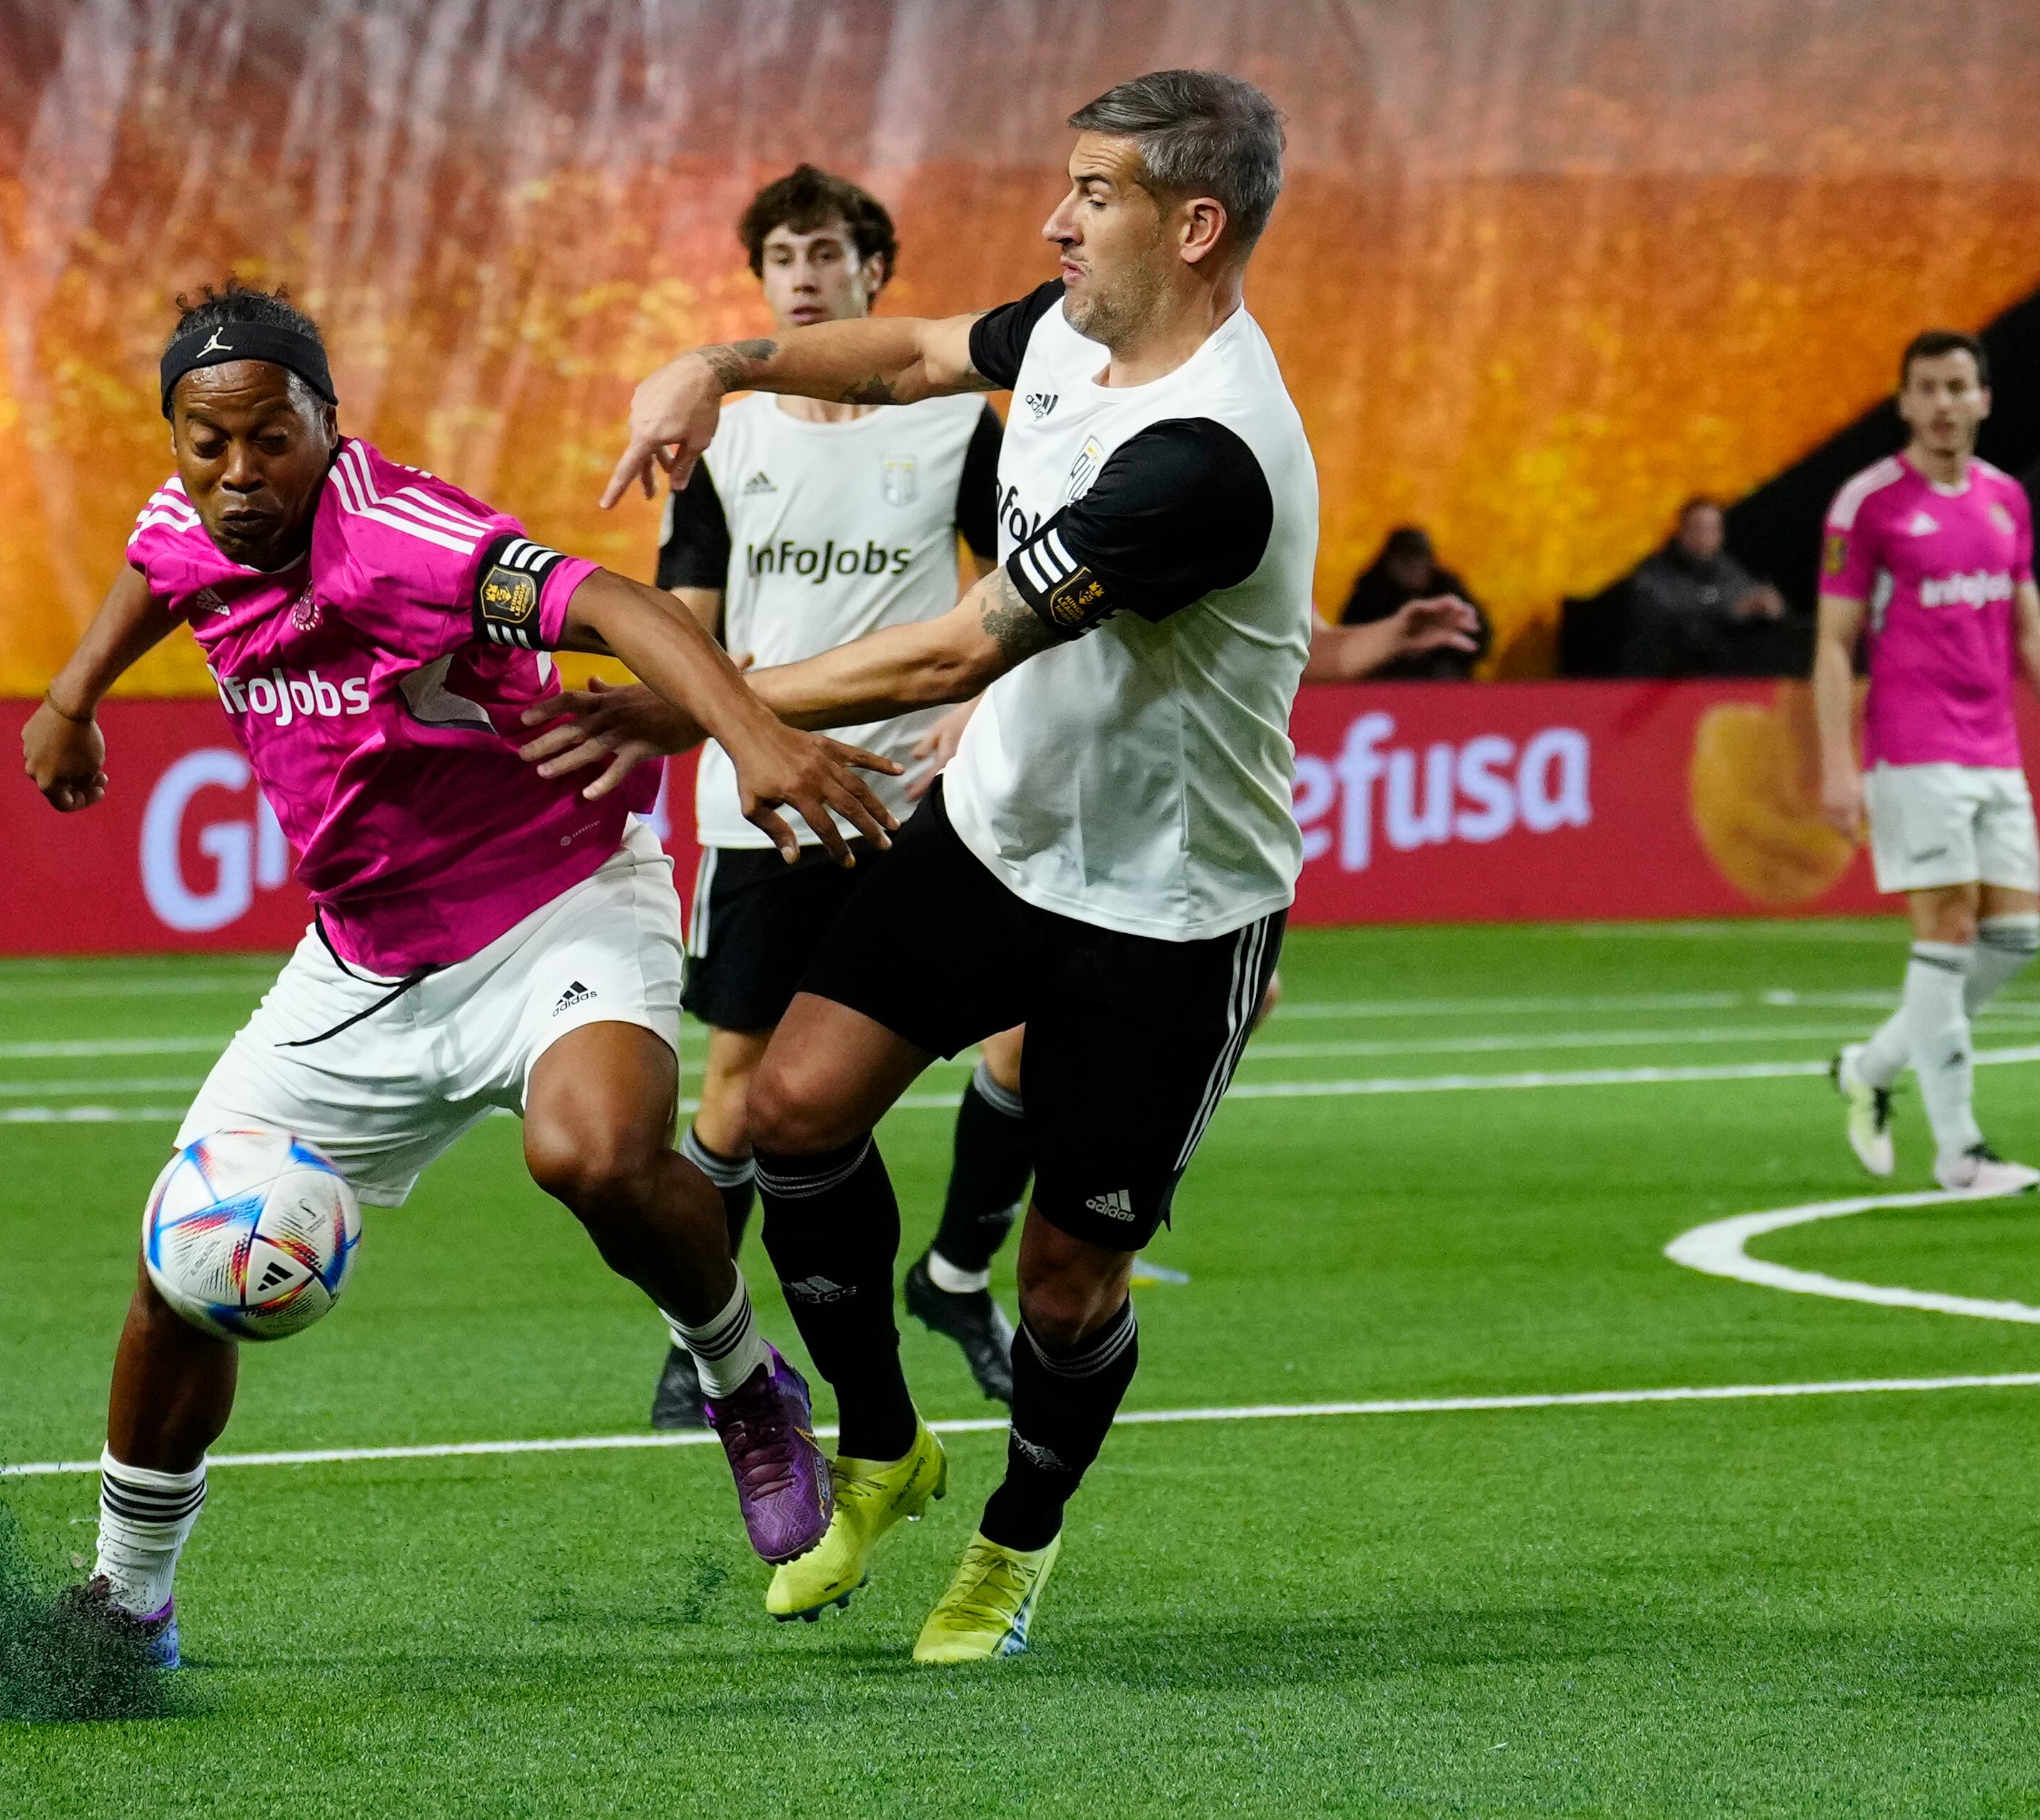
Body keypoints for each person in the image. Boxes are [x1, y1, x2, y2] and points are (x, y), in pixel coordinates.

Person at [0, 283, 898, 1679]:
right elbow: (158, 563)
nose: (235, 472)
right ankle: (128, 1602)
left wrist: (750, 737)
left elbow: (615, 597)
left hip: (557, 905)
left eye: (268, 438)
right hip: (363, 960)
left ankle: (741, 1379)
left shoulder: (402, 539)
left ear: (329, 425)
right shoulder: (190, 518)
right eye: (204, 442)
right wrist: (72, 691)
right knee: (180, 1264)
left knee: (590, 1153)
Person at [542, 69, 1323, 1663]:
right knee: (786, 1109)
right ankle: (887, 1445)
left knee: (1063, 1282)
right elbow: (905, 352)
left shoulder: (1207, 453)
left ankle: (1013, 1548)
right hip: (997, 837)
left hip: (1168, 911)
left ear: (1192, 224)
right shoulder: (1065, 335)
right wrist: (720, 360)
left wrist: (685, 705)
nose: (1054, 219)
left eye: (1091, 193)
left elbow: (953, 649)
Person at [904, 595, 1477, 1392]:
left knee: (1172, 1013)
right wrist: (974, 700)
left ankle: (980, 1268)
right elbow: (1004, 598)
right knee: (1018, 1033)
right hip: (1063, 786)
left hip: (1167, 808)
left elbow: (1306, 641)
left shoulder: (1245, 490)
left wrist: (1385, 634)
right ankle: (973, 1271)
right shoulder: (1086, 482)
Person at [647, 163, 1005, 1430]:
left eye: (825, 254)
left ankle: (956, 1271)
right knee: (738, 1092)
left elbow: (1026, 582)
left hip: (920, 797)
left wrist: (980, 699)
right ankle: (704, 1336)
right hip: (766, 803)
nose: (802, 275)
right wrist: (721, 703)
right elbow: (682, 620)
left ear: (872, 275)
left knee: (1022, 1030)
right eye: (781, 257)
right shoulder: (717, 434)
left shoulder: (957, 419)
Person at [1818, 329, 2040, 1195]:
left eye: (1958, 386)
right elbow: (1834, 644)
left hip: (1995, 748)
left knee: (2012, 939)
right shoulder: (1867, 505)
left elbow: (2028, 629)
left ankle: (1870, 1066)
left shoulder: (2005, 501)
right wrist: (1837, 761)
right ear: (1904, 403)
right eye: (1927, 389)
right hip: (1912, 751)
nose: (1944, 404)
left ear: (1984, 397)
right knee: (1945, 932)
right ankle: (1960, 1152)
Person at [1621, 496, 1787, 677]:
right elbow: (1675, 619)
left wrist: (1770, 607)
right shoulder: (1654, 574)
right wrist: (1729, 611)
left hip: (1719, 680)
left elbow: (1747, 598)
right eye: (1699, 528)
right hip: (1661, 680)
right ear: (1682, 532)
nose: (1706, 536)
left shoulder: (1728, 569)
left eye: (1713, 528)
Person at [1337, 526, 1484, 680]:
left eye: (1418, 559)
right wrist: (1393, 645)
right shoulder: (1371, 591)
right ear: (1390, 562)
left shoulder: (1447, 588)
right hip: (1386, 675)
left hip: (1439, 675)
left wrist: (1436, 649)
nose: (1412, 566)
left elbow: (1480, 636)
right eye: (1405, 559)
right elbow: (1349, 641)